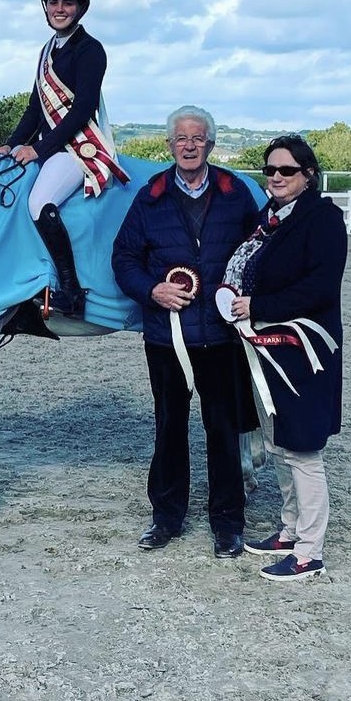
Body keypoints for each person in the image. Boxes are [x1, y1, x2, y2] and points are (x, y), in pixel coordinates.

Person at [112, 106, 260, 558]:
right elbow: (124, 259)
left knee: (223, 428)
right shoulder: (149, 198)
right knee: (169, 427)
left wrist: (248, 299)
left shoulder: (236, 195)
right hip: (167, 339)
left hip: (220, 336)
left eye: (198, 138)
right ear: (169, 145)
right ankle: (166, 517)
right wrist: (152, 290)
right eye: (181, 138)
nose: (189, 145)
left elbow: (258, 251)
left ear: (210, 145)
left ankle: (228, 525)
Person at [223, 135, 346, 581]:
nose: (275, 177)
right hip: (267, 351)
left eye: (286, 171)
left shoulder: (324, 220)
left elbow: (320, 287)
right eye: (270, 170)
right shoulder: (269, 218)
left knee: (303, 450)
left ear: (308, 174)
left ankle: (310, 551)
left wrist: (258, 306)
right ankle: (291, 530)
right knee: (278, 444)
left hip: (304, 351)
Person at [0, 0, 127, 317]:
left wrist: (37, 149)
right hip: (53, 143)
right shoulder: (46, 50)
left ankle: (71, 291)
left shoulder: (91, 50)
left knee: (39, 202)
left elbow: (82, 109)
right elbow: (36, 106)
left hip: (79, 147)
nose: (59, 8)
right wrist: (12, 143)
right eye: (54, 2)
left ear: (80, 8)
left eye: (67, 3)